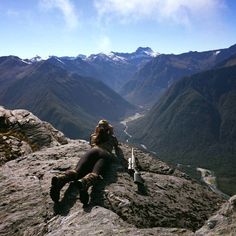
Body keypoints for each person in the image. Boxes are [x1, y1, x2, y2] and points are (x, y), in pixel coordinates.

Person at [50, 119, 119, 205]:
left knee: (77, 171)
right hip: (105, 154)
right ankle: (84, 182)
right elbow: (117, 146)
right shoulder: (112, 138)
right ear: (108, 128)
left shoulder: (93, 136)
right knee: (95, 173)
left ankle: (62, 178)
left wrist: (97, 131)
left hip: (93, 151)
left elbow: (93, 142)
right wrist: (111, 132)